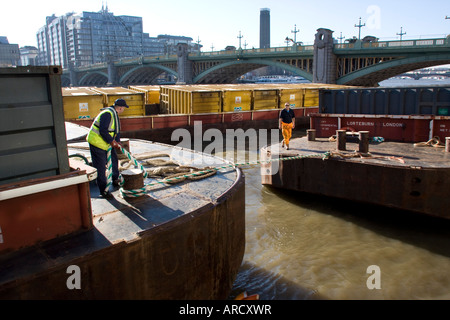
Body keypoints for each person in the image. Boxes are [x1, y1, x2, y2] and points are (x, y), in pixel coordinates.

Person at [87, 98, 129, 198]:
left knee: (114, 159)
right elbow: (103, 131)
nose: (124, 109)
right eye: (124, 108)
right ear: (120, 107)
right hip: (97, 143)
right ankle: (104, 190)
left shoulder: (114, 114)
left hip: (105, 144)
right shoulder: (107, 114)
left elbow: (116, 130)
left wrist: (117, 141)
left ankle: (115, 178)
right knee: (100, 167)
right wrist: (112, 142)